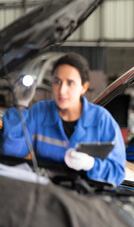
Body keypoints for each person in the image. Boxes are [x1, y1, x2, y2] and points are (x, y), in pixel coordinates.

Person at [1, 52, 126, 186]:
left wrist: (91, 164)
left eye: (70, 83)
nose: (61, 90)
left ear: (84, 87)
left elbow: (117, 173)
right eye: (57, 82)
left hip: (86, 201)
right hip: (46, 196)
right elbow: (11, 152)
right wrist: (20, 106)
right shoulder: (40, 112)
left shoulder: (101, 120)